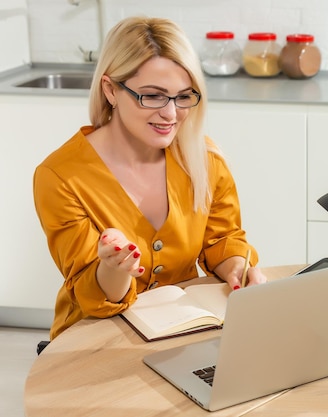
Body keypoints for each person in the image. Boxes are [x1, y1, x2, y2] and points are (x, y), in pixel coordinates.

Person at [33, 16, 266, 340]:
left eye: (184, 96)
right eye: (153, 96)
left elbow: (221, 241)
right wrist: (113, 268)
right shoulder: (61, 177)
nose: (171, 114)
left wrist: (238, 269)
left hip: (180, 333)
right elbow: (93, 294)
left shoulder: (205, 160)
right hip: (91, 341)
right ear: (111, 89)